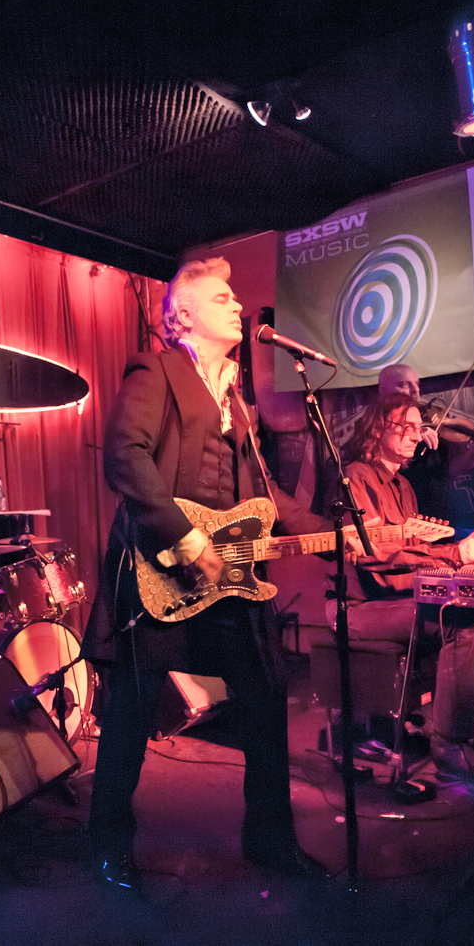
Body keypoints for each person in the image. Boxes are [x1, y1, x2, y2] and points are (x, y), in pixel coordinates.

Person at [83, 257, 331, 893]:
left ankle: (269, 838)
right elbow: (124, 455)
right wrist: (186, 538)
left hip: (229, 577)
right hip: (157, 566)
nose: (238, 307)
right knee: (134, 713)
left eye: (235, 298)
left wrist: (342, 535)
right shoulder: (157, 368)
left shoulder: (239, 404)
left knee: (268, 694)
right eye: (221, 297)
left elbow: (264, 498)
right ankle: (108, 845)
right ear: (183, 315)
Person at [338, 390, 474, 777]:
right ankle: (448, 745)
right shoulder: (355, 478)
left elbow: (414, 549)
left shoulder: (405, 486)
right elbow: (370, 553)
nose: (416, 435)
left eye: (418, 427)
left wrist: (459, 548)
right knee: (465, 620)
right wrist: (453, 556)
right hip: (358, 607)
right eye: (407, 426)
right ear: (379, 429)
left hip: (395, 600)